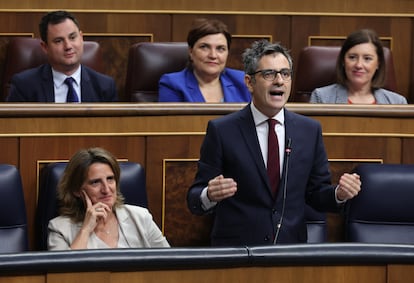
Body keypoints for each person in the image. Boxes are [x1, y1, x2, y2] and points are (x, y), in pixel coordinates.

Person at [187, 40, 361, 246]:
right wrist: (210, 194)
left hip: (288, 252)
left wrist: (338, 194)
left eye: (285, 74)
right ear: (249, 82)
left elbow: (316, 194)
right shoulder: (222, 130)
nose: (279, 81)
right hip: (237, 253)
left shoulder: (309, 131)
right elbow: (194, 199)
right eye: (269, 74)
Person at [48, 147, 169, 250]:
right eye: (95, 182)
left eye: (110, 179)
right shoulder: (59, 229)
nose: (106, 189)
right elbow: (63, 275)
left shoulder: (140, 217)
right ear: (76, 190)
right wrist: (85, 230)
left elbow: (170, 264)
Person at [7, 10, 118, 102]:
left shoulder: (105, 86)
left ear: (81, 37)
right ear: (45, 47)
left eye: (72, 37)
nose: (68, 46)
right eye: (58, 41)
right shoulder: (24, 85)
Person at [158, 18, 251, 102]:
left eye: (220, 48)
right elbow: (171, 121)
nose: (213, 55)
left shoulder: (243, 81)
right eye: (204, 47)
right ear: (191, 52)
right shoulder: (172, 84)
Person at [310, 29, 407, 104]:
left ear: (378, 63)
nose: (359, 65)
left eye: (367, 58)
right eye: (352, 57)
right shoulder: (321, 98)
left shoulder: (397, 102)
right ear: (343, 61)